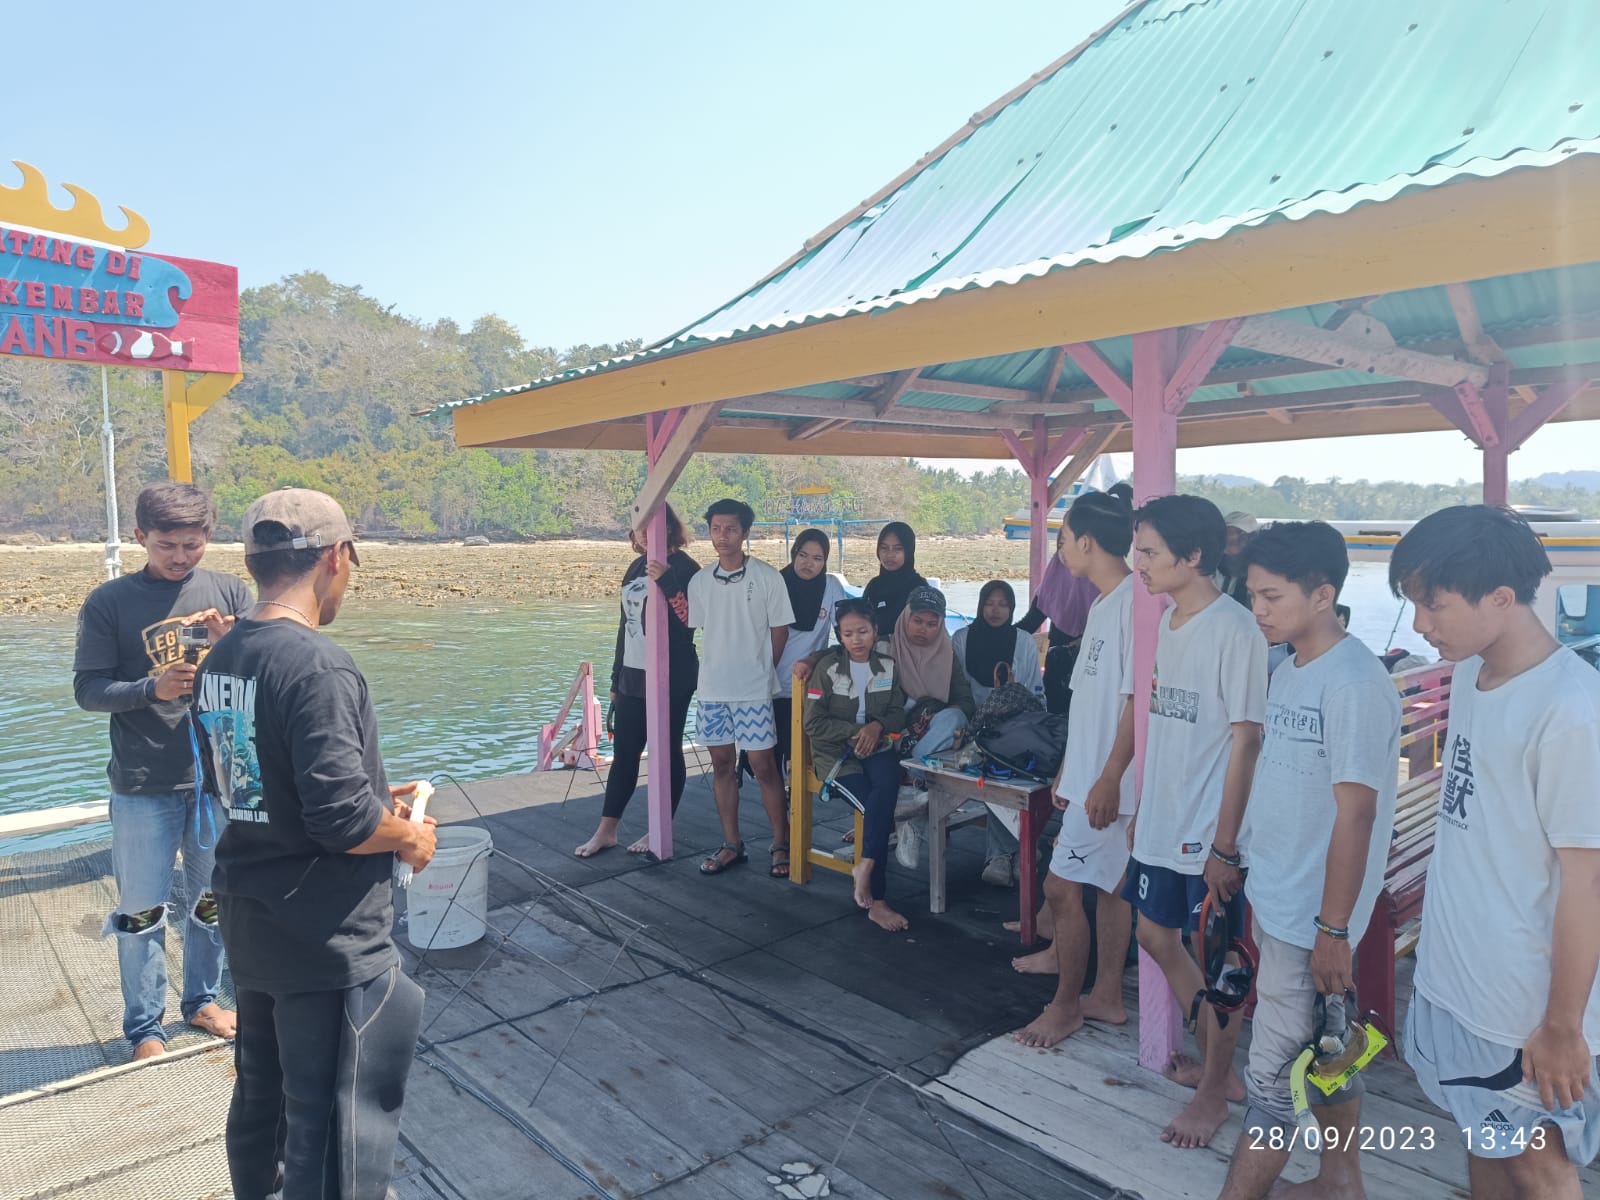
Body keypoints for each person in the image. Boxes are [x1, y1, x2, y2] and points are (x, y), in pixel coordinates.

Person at [194, 487, 437, 1200]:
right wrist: (409, 836)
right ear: (337, 558)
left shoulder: (223, 656)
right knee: (335, 1123)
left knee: (261, 1104)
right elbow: (343, 823)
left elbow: (248, 783)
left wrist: (369, 801)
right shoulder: (317, 664)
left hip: (251, 919)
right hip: (324, 936)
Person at [1390, 505, 1600, 1198]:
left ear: (1502, 599)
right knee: (1483, 1144)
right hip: (1457, 981)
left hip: (1519, 1010)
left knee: (1541, 1170)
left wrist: (1564, 1026)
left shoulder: (1572, 711)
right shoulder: (1476, 676)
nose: (1421, 623)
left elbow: (1587, 881)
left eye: (1434, 604)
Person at [1217, 521, 1400, 1200]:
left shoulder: (1352, 683)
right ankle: (1340, 1181)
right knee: (1326, 1046)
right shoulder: (1290, 666)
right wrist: (1237, 853)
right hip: (1281, 896)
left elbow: (1357, 812)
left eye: (1271, 596)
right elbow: (1285, 784)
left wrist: (1332, 930)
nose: (1257, 609)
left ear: (1323, 594)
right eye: (1252, 594)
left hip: (1314, 917)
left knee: (1269, 1081)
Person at [72, 482, 252, 1061]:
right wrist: (154, 687)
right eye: (167, 544)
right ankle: (144, 1029)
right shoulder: (109, 603)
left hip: (216, 784)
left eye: (192, 545)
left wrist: (235, 645)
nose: (180, 557)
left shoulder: (229, 592)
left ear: (209, 537)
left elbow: (262, 675)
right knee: (142, 912)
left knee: (211, 901)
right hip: (143, 784)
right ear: (140, 537)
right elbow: (88, 690)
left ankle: (201, 1001)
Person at [1122, 494, 1266, 1149]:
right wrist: (1145, 810)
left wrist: (1226, 845)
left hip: (1208, 831)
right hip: (1163, 817)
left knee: (1221, 965)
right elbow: (1167, 728)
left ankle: (1214, 1092)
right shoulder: (1170, 622)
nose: (1138, 563)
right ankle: (1219, 1066)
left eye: (1149, 552)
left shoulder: (1234, 630)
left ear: (1194, 556)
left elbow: (1246, 740)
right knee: (1154, 936)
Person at [1012, 490, 1137, 1046]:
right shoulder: (1105, 603)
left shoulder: (1134, 605)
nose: (1059, 553)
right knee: (1110, 890)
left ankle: (1066, 1006)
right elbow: (1093, 702)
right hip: (1091, 775)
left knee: (1062, 888)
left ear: (1086, 542)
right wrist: (1069, 768)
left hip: (1112, 783)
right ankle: (1106, 993)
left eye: (1061, 542)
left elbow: (1137, 702)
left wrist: (1107, 776)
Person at [575, 505, 699, 858]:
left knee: (666, 748)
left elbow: (690, 620)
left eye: (652, 525)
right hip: (633, 672)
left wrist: (667, 580)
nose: (644, 532)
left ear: (669, 527)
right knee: (625, 752)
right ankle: (607, 830)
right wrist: (616, 677)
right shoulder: (635, 566)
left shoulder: (686, 568)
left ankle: (661, 827)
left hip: (673, 673)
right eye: (638, 527)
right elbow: (625, 627)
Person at [686, 498, 796, 877]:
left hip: (753, 690)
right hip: (713, 689)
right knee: (720, 765)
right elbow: (703, 629)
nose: (723, 536)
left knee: (764, 766)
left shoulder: (768, 577)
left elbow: (780, 630)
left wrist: (763, 669)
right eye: (716, 528)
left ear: (746, 533)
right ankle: (732, 843)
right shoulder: (699, 581)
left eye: (731, 529)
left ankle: (781, 842)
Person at [803, 598, 909, 931]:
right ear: (840, 635)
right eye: (848, 633)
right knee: (876, 803)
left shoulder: (887, 666)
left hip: (876, 747)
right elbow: (813, 723)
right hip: (837, 755)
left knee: (887, 786)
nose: (856, 639)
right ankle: (876, 899)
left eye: (863, 631)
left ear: (875, 631)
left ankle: (864, 865)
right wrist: (855, 731)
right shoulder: (828, 669)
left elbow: (897, 711)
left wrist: (877, 727)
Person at [954, 579, 1045, 886]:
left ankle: (1002, 855)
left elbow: (1035, 691)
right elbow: (959, 690)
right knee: (994, 768)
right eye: (989, 603)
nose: (995, 610)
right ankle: (1020, 851)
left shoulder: (1023, 640)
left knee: (1011, 766)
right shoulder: (962, 638)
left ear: (1012, 608)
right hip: (974, 728)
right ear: (980, 606)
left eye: (1003, 604)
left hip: (1016, 726)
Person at [769, 528, 848, 780]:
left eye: (817, 558)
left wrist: (819, 659)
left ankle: (795, 813)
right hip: (767, 686)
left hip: (805, 688)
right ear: (793, 553)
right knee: (768, 764)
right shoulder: (774, 583)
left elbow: (847, 632)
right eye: (803, 555)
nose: (808, 563)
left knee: (800, 762)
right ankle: (778, 818)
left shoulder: (831, 587)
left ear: (825, 561)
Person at [1017, 529, 1099, 714]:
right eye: (1060, 543)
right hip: (1058, 667)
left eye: (1067, 543)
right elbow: (1030, 622)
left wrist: (1084, 641)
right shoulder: (1056, 573)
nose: (1063, 550)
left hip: (1092, 671)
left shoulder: (1101, 582)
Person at [891, 585, 975, 758]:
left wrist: (937, 715)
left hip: (931, 731)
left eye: (931, 624)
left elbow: (965, 701)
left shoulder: (947, 656)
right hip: (891, 731)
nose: (923, 629)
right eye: (917, 621)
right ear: (906, 617)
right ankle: (917, 768)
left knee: (954, 717)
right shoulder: (884, 649)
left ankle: (914, 767)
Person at [860, 521, 926, 637]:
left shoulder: (919, 588)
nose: (890, 555)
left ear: (909, 551)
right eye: (884, 548)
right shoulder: (874, 585)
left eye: (898, 549)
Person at [1215, 511, 1258, 606]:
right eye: (1229, 533)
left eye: (1244, 535)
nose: (1236, 538)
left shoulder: (1260, 572)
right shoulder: (1211, 571)